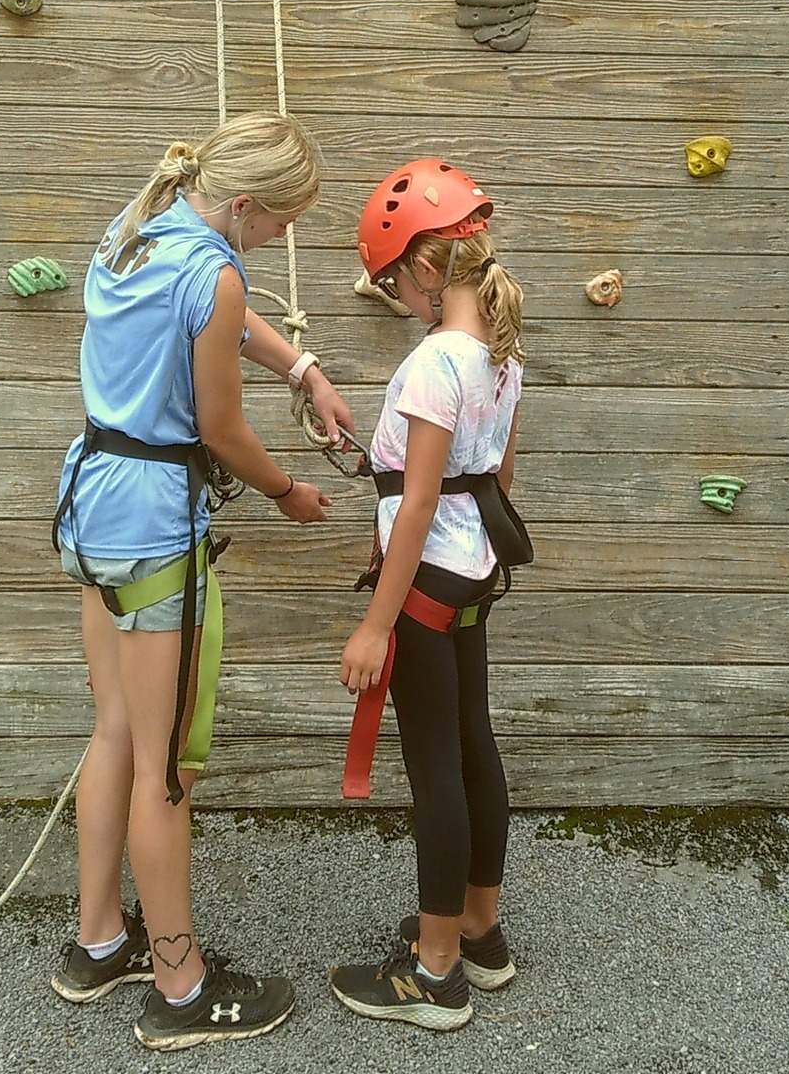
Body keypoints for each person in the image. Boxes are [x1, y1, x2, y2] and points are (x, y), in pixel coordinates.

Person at [48, 113, 355, 1051]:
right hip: (154, 524)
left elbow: (215, 319)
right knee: (166, 767)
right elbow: (222, 428)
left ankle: (100, 942)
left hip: (93, 500)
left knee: (114, 730)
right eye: (284, 222)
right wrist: (288, 492)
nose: (284, 237)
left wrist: (301, 367)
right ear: (247, 205)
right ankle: (180, 986)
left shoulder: (137, 224)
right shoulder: (216, 273)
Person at [329, 160, 531, 1032]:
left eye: (391, 283)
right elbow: (496, 477)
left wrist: (376, 626)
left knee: (435, 767)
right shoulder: (501, 353)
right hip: (472, 574)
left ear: (423, 267)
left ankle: (436, 971)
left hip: (421, 589)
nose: (396, 299)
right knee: (474, 744)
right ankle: (479, 930)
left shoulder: (433, 361)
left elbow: (415, 504)